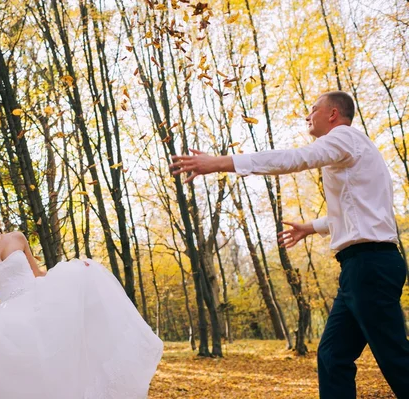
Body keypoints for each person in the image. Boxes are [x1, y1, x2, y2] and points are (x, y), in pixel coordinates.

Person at [170, 91, 409, 398]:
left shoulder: (344, 138)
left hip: (370, 267)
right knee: (333, 355)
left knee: (395, 359)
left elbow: (293, 159)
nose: (308, 116)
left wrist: (218, 163)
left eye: (313, 109)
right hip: (361, 267)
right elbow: (355, 215)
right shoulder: (356, 151)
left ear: (333, 114)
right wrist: (310, 228)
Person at [0, 192, 163, 399]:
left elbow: (38, 274)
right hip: (13, 316)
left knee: (60, 358)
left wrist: (76, 273)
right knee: (29, 369)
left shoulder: (16, 237)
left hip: (41, 301)